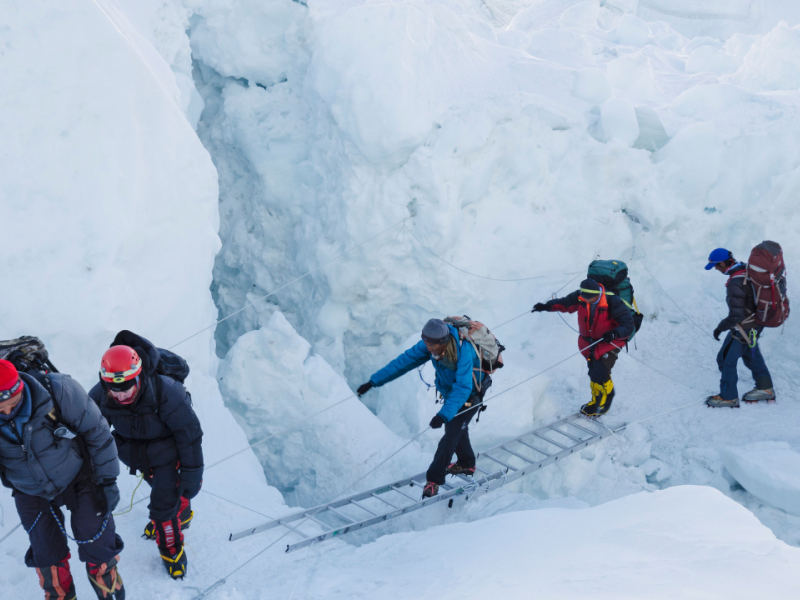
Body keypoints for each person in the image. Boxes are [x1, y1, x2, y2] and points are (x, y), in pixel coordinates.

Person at [0, 359, 125, 600]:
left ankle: (109, 593)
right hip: (29, 488)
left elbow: (97, 431)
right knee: (47, 553)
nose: (7, 413)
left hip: (78, 475)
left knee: (97, 542)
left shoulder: (59, 391)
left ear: (20, 389)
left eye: (13, 404)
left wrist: (108, 480)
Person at [89, 332, 203, 580]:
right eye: (113, 390)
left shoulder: (166, 391)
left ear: (137, 376)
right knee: (167, 494)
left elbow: (190, 436)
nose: (120, 396)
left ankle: (172, 552)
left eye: (126, 389)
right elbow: (89, 433)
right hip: (136, 455)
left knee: (163, 506)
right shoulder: (101, 394)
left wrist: (192, 475)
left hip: (167, 454)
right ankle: (179, 511)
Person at [356, 318, 489, 498]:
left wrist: (443, 415)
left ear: (442, 342)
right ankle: (466, 463)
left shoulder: (462, 351)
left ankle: (433, 480)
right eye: (425, 342)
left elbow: (463, 388)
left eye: (431, 345)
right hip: (452, 393)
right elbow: (403, 362)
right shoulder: (430, 344)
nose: (427, 347)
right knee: (456, 428)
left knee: (451, 435)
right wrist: (373, 382)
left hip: (472, 393)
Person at [532, 278, 634, 416]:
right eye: (584, 298)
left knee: (600, 371)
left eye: (590, 299)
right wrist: (546, 306)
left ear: (598, 294)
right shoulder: (581, 297)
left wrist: (614, 333)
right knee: (593, 371)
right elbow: (564, 303)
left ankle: (606, 398)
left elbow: (628, 324)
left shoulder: (613, 301)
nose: (587, 301)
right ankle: (595, 400)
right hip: (589, 343)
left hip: (609, 342)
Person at [703, 248, 775, 408]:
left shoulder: (735, 282)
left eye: (716, 266)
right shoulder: (744, 269)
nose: (715, 269)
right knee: (750, 354)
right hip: (756, 323)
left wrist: (719, 328)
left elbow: (736, 315)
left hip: (746, 326)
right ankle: (766, 388)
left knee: (726, 358)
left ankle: (728, 397)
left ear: (722, 263)